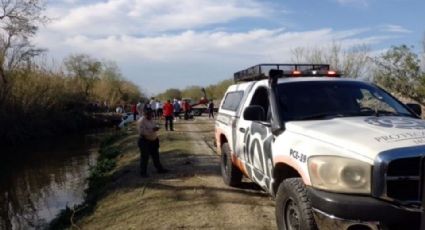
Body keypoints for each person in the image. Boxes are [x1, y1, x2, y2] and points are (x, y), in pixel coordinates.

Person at [137, 110, 168, 177]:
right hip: (145, 141)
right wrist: (153, 130)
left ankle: (160, 169)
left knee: (156, 156)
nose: (151, 116)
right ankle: (143, 173)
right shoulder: (141, 121)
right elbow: (142, 132)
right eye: (150, 115)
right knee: (145, 157)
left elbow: (154, 125)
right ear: (145, 114)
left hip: (154, 141)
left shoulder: (151, 119)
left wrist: (156, 127)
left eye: (152, 115)